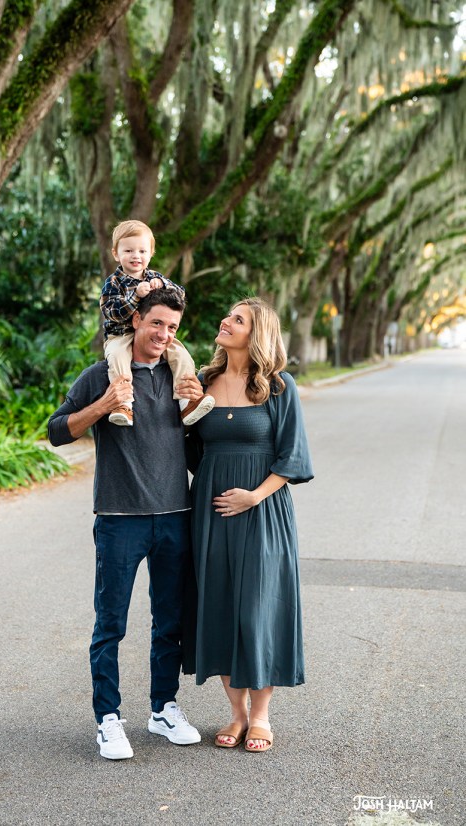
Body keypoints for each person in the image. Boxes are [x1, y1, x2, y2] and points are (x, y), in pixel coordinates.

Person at [48, 289, 204, 760]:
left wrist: (199, 409)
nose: (163, 334)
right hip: (119, 519)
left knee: (169, 621)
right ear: (136, 320)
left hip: (175, 516)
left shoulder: (181, 376)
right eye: (156, 323)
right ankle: (108, 719)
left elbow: (196, 450)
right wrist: (103, 404)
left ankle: (163, 708)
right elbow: (56, 431)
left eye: (172, 327)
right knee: (110, 623)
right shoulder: (102, 374)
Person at [188, 297, 313, 753]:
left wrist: (254, 496)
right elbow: (187, 449)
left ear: (255, 334)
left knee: (259, 606)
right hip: (211, 512)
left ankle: (261, 715)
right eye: (229, 315)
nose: (226, 321)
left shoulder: (278, 387)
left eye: (238, 319)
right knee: (220, 602)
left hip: (263, 510)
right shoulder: (202, 381)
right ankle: (237, 714)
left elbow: (293, 455)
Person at [100, 219, 214, 427]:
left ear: (151, 253)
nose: (136, 256)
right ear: (116, 254)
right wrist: (135, 296)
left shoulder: (155, 277)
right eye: (128, 251)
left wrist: (163, 283)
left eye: (142, 251)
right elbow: (111, 312)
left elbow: (180, 296)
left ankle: (186, 402)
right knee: (117, 358)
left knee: (181, 355)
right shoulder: (113, 282)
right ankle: (123, 404)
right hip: (120, 335)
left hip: (152, 334)